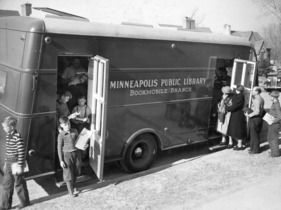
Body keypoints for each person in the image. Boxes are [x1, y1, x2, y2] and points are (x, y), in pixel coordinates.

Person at [0, 117, 30, 210]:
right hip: (9, 162)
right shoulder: (8, 135)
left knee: (19, 183)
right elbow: (8, 151)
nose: (3, 129)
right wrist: (5, 163)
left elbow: (21, 151)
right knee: (6, 184)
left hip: (16, 162)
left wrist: (20, 166)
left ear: (12, 127)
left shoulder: (17, 136)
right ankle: (5, 206)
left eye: (5, 127)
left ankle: (25, 202)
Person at [57, 116, 81, 197]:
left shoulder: (75, 131)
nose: (67, 126)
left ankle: (74, 187)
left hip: (76, 153)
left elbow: (79, 142)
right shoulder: (61, 135)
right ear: (61, 125)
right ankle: (70, 192)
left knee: (76, 171)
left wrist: (83, 145)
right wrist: (61, 160)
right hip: (67, 156)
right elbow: (59, 148)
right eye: (65, 125)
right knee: (68, 174)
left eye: (68, 124)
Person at [225, 85, 247, 150]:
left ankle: (239, 145)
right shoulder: (239, 95)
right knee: (235, 128)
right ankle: (236, 143)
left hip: (237, 114)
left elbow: (234, 106)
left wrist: (227, 108)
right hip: (236, 114)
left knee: (238, 129)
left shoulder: (240, 96)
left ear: (237, 89)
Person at [244, 87, 265, 154]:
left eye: (253, 90)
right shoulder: (261, 98)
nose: (252, 91)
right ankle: (253, 148)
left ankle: (255, 150)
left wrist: (249, 115)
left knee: (254, 134)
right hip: (258, 118)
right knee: (255, 134)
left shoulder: (257, 100)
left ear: (257, 92)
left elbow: (257, 111)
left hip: (255, 118)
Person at [266, 90, 281, 157]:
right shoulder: (274, 103)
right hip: (272, 123)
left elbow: (279, 117)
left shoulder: (277, 105)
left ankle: (275, 154)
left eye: (270, 96)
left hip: (274, 124)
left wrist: (272, 121)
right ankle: (273, 151)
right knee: (270, 138)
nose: (270, 97)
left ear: (273, 97)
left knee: (273, 138)